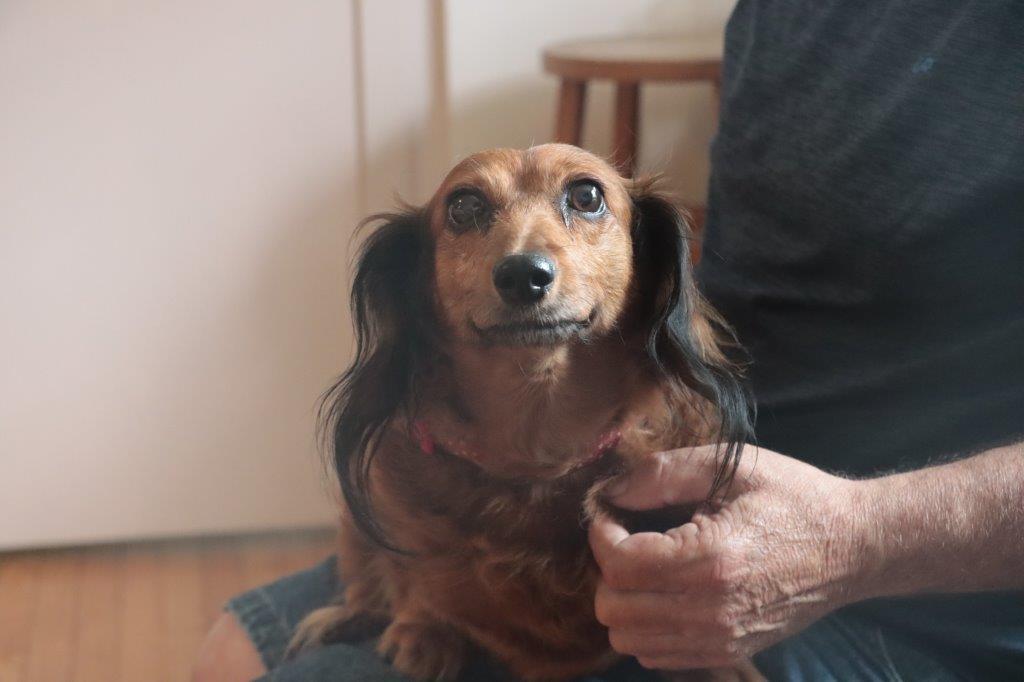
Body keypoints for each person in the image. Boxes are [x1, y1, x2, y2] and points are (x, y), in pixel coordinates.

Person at [195, 2, 1024, 680]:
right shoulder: (776, 17)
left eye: (585, 201)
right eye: (470, 214)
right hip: (544, 505)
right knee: (227, 653)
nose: (525, 258)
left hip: (909, 594)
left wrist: (857, 538)